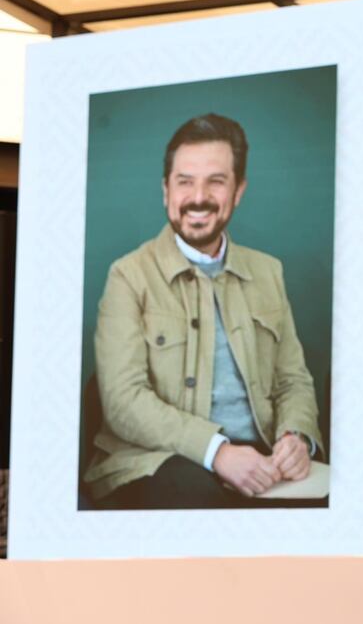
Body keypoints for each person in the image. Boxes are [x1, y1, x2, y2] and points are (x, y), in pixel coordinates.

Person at [84, 113, 324, 509]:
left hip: (262, 460)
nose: (198, 196)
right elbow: (123, 400)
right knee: (195, 498)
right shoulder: (128, 276)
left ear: (238, 190)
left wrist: (296, 437)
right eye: (185, 181)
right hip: (155, 461)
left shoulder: (269, 271)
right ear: (166, 190)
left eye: (215, 181)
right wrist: (218, 452)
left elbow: (293, 379)